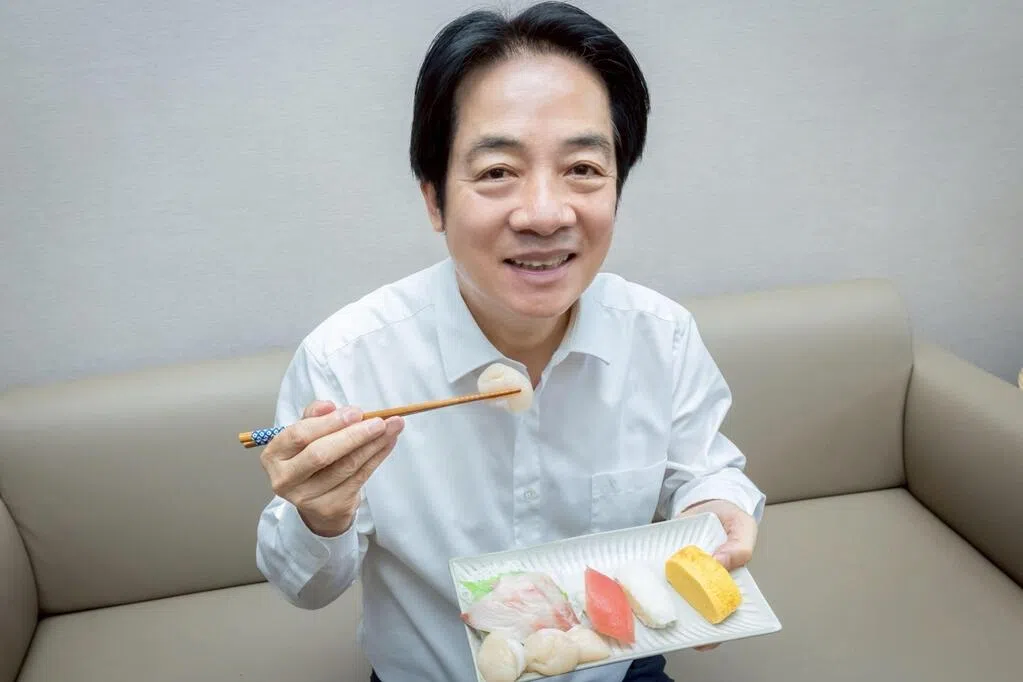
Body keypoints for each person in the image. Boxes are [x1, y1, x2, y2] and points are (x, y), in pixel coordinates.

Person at [255, 2, 765, 681]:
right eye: (498, 171)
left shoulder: (661, 336)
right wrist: (320, 515)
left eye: (583, 168)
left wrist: (714, 508)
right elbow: (306, 587)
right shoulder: (349, 360)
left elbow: (700, 469)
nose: (545, 214)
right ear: (434, 199)